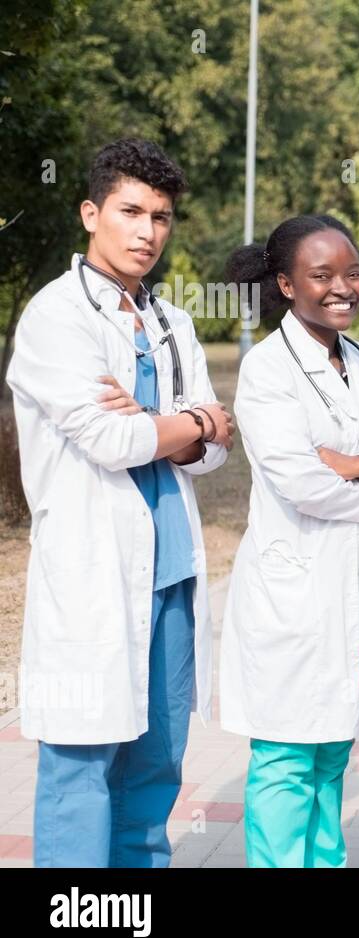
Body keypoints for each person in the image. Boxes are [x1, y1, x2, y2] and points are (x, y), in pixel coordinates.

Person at [6, 138, 234, 867]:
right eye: (130, 211)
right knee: (81, 769)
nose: (147, 232)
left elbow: (220, 449)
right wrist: (191, 422)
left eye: (161, 217)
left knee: (155, 769)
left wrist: (174, 428)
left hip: (169, 577)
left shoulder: (173, 322)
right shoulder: (56, 317)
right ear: (90, 213)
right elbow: (111, 439)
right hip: (90, 578)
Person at [220, 215, 359, 867]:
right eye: (321, 275)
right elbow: (302, 483)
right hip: (294, 598)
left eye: (351, 273)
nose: (342, 287)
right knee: (285, 759)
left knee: (332, 755)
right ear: (286, 284)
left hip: (357, 602)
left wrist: (357, 463)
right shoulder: (269, 370)